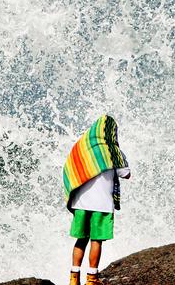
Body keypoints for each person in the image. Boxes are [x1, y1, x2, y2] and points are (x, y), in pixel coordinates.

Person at [62, 115, 131, 285]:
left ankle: (73, 278)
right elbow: (127, 174)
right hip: (102, 204)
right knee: (96, 241)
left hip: (81, 202)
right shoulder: (113, 151)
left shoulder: (82, 148)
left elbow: (69, 168)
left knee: (81, 239)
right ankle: (92, 279)